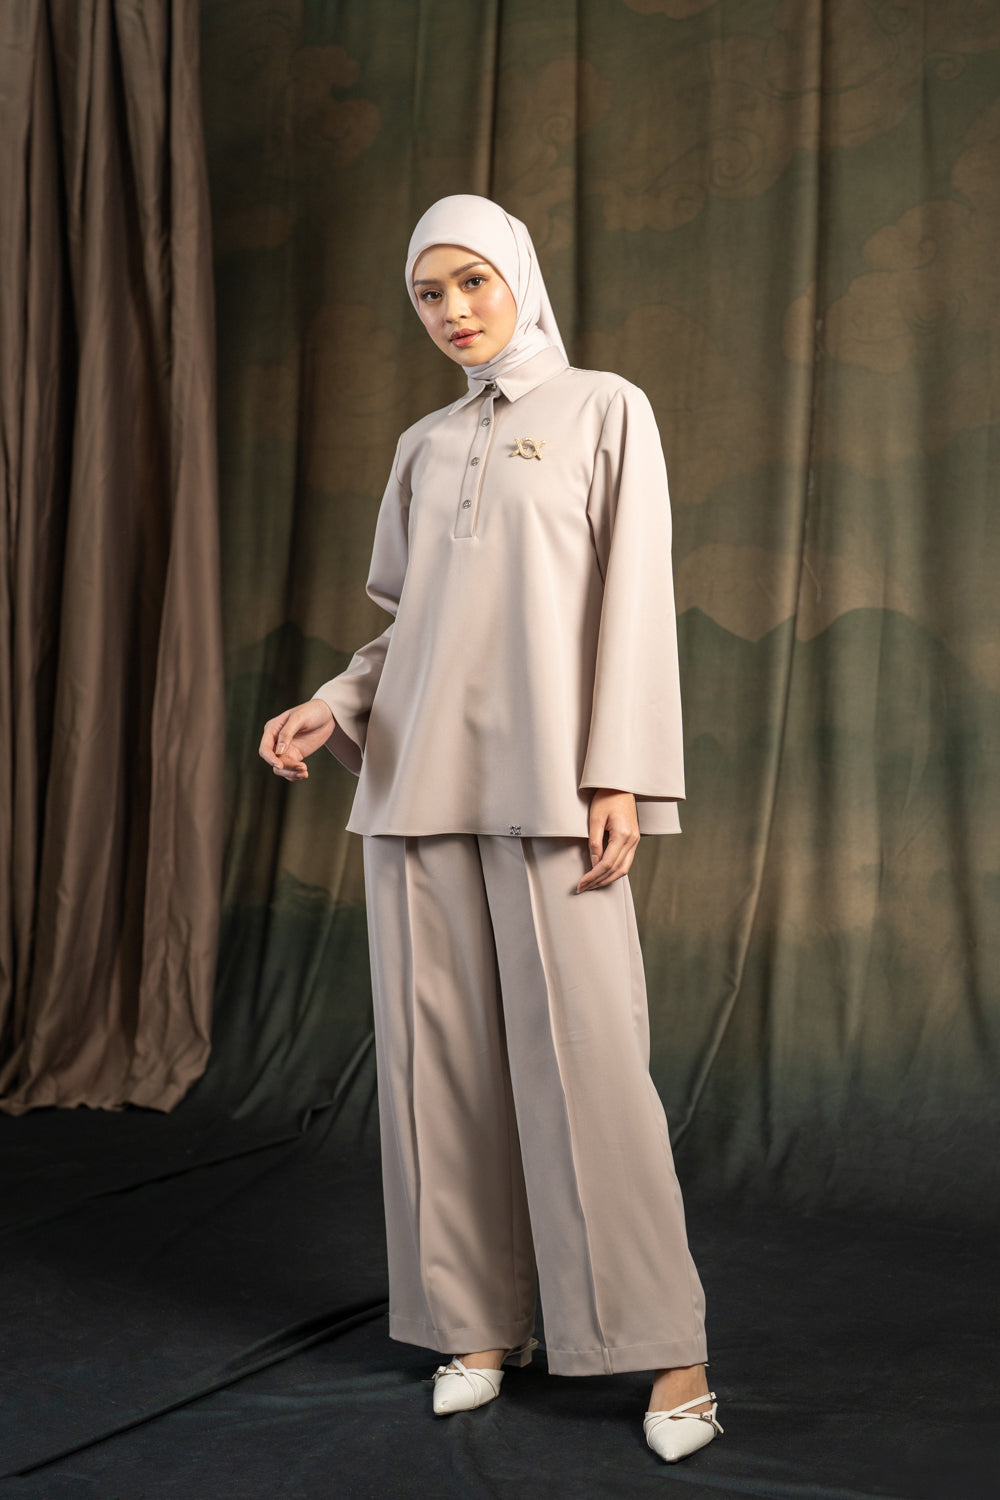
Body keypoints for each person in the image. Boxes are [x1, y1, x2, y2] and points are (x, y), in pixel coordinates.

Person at [258, 195, 723, 1465]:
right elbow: (412, 624)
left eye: (472, 281)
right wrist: (335, 701)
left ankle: (666, 1347)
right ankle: (475, 1326)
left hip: (554, 790)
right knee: (440, 1070)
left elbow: (634, 599)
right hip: (416, 789)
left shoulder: (604, 410)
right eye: (429, 293)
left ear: (517, 275)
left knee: (590, 1069)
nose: (453, 310)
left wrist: (619, 774)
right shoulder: (422, 445)